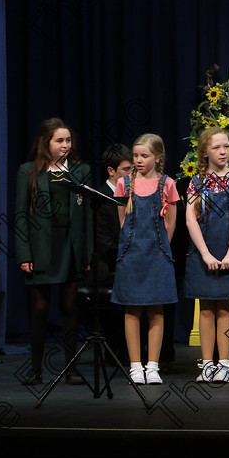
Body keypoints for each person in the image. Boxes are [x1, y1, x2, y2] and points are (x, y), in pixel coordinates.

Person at [15, 118, 93, 386]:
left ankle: (71, 367)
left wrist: (86, 254)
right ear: (46, 143)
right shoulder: (29, 172)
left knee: (70, 307)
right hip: (41, 248)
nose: (65, 145)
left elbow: (87, 218)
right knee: (39, 309)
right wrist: (24, 253)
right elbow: (21, 215)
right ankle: (35, 368)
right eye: (59, 140)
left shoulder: (81, 172)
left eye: (68, 140)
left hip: (69, 246)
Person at [184, 127, 229, 384]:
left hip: (228, 251)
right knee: (205, 308)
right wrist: (205, 254)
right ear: (204, 152)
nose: (223, 151)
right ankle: (207, 364)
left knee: (224, 307)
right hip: (204, 252)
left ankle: (224, 364)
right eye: (216, 147)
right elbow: (190, 219)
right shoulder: (197, 182)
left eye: (226, 146)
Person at [112, 133, 180, 385]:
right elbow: (122, 219)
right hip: (131, 254)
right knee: (131, 309)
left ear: (157, 157)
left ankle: (152, 365)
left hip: (157, 254)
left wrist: (161, 247)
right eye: (136, 156)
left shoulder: (168, 184)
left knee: (156, 310)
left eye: (144, 156)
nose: (138, 160)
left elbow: (171, 222)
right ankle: (135, 365)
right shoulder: (124, 183)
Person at [91, 144, 133, 359]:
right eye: (126, 170)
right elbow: (102, 240)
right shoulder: (100, 197)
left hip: (128, 260)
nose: (131, 175)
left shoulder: (133, 193)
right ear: (111, 171)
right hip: (109, 265)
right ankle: (118, 349)